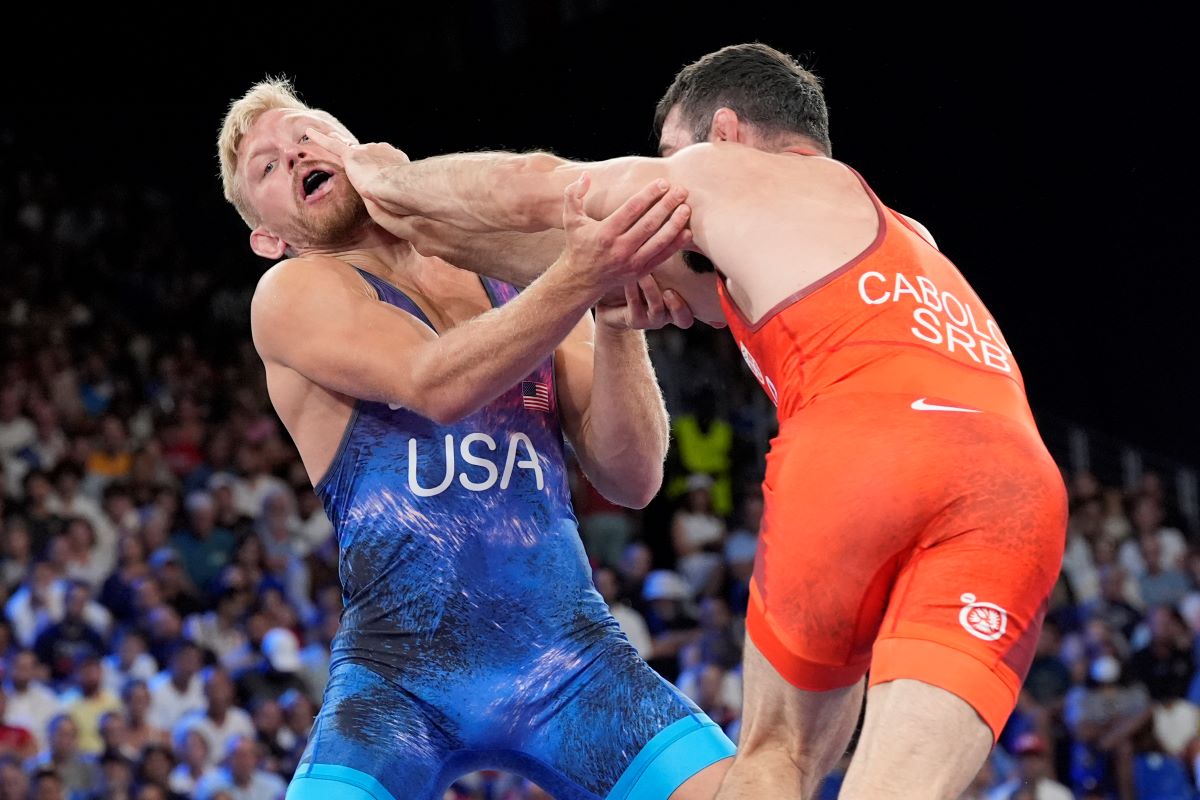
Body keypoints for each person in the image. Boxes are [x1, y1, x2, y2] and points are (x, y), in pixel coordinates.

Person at [315, 41, 1070, 799]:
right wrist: (599, 279)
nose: (668, 171)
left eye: (671, 152)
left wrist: (389, 182)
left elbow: (541, 191)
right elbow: (602, 264)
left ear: (727, 132)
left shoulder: (717, 170)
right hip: (1016, 483)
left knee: (780, 759)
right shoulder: (897, 232)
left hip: (865, 445)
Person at [216, 80, 733, 800]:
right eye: (266, 166)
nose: (293, 149)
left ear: (357, 149)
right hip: (398, 687)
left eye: (308, 130)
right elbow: (434, 384)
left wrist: (615, 325)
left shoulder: (508, 270)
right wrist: (581, 272)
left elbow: (632, 477)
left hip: (572, 661)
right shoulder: (292, 294)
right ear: (268, 238)